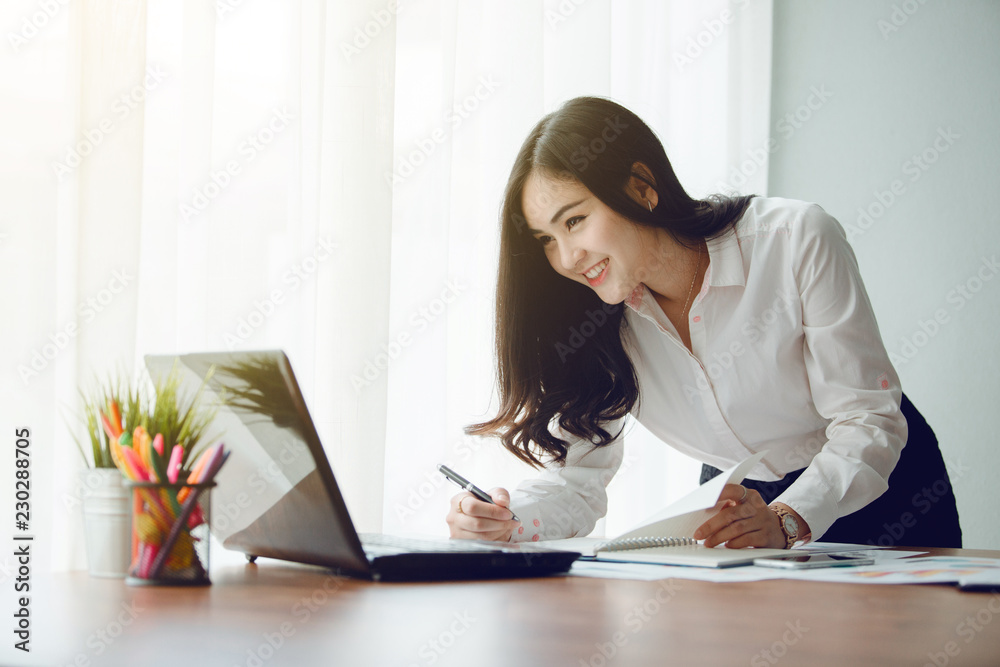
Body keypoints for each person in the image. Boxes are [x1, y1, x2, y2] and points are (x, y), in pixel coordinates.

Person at [446, 96, 961, 550]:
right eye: (545, 240)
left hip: (879, 487)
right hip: (741, 505)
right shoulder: (592, 321)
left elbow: (868, 420)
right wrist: (507, 521)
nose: (566, 258)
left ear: (641, 186)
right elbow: (578, 481)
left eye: (574, 221)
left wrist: (788, 516)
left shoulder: (795, 239)